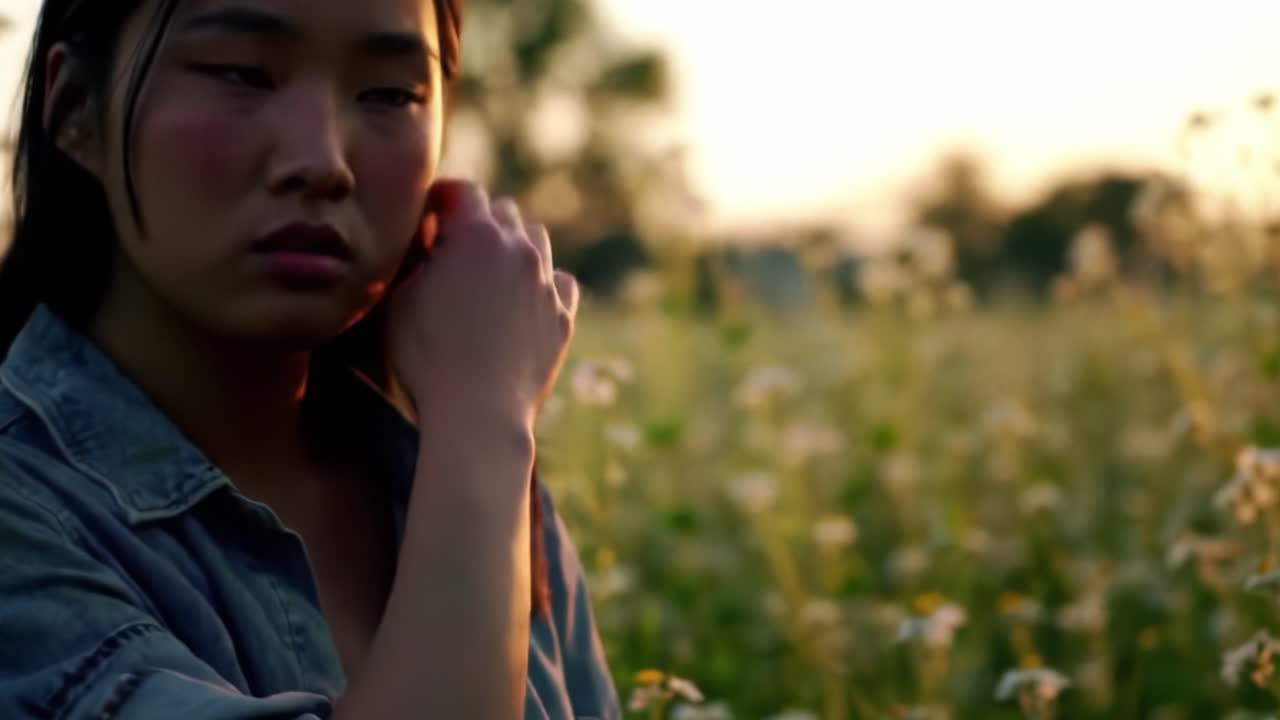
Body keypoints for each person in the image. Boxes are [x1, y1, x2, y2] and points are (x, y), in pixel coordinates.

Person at [0, 0, 620, 718]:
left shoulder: (469, 478)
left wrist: (482, 431)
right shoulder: (26, 514)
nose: (322, 162)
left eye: (391, 93)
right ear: (77, 107)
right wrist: (484, 421)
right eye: (241, 73)